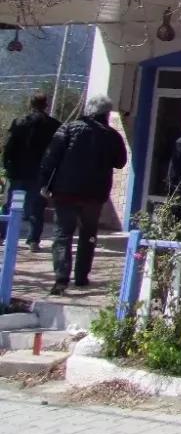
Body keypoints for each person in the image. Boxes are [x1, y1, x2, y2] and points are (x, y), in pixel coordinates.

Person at [39, 95, 127, 295]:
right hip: (94, 195)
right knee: (89, 235)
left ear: (89, 109)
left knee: (63, 234)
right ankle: (81, 276)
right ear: (106, 113)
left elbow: (51, 157)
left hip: (66, 191)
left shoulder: (69, 128)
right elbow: (120, 162)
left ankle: (61, 279)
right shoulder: (112, 135)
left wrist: (45, 183)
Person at [3, 93, 60, 251]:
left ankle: (3, 236)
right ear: (46, 105)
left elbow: (9, 146)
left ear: (30, 104)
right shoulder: (54, 125)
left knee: (11, 204)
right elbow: (56, 151)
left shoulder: (19, 122)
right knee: (37, 206)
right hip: (40, 172)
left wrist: (7, 165)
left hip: (18, 170)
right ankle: (33, 240)